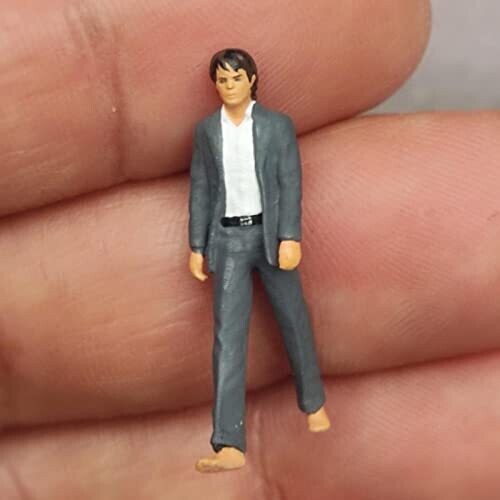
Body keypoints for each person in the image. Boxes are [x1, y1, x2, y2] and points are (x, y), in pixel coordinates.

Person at [188, 48, 330, 472]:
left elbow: (290, 181)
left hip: (269, 237)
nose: (229, 86)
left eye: (236, 78)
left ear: (251, 79)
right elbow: (200, 188)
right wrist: (197, 245)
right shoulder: (207, 131)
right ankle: (228, 442)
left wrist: (290, 236)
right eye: (222, 80)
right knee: (227, 338)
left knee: (293, 320)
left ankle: (314, 403)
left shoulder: (276, 125)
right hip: (228, 240)